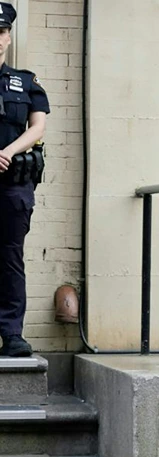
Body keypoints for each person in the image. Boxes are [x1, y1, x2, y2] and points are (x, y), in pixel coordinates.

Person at [0, 2, 48, 357]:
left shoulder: (26, 82)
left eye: (2, 32)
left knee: (10, 258)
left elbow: (39, 126)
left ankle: (11, 335)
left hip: (12, 185)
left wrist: (8, 151)